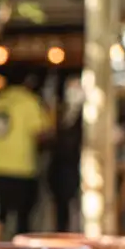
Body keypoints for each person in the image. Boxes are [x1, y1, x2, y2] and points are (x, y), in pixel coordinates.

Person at [0, 73, 50, 234]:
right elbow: (39, 132)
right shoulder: (30, 101)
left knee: (1, 215)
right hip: (23, 166)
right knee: (24, 217)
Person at [48, 76, 83, 232]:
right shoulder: (60, 112)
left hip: (75, 165)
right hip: (59, 166)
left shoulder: (86, 114)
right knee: (61, 206)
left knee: (75, 207)